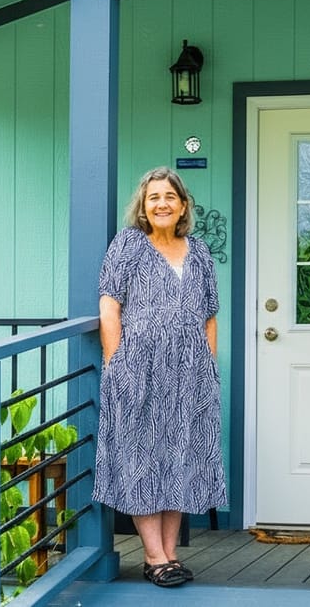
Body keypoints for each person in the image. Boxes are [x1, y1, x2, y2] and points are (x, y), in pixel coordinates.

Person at [94, 166, 225, 588]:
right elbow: (109, 307)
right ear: (143, 207)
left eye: (170, 196)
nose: (162, 203)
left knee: (180, 457)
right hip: (139, 367)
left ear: (183, 205)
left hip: (191, 373)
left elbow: (209, 315)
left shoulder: (200, 251)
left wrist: (209, 364)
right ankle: (153, 556)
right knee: (142, 458)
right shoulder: (128, 245)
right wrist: (116, 364)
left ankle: (170, 553)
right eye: (154, 197)